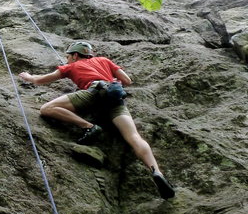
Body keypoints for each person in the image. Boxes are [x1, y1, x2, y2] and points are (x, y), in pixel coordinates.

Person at [18, 41, 175, 200]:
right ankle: (156, 171)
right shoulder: (104, 60)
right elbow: (127, 80)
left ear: (75, 55)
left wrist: (28, 77)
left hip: (93, 92)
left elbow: (42, 80)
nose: (67, 60)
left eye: (68, 57)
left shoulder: (71, 66)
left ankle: (88, 126)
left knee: (47, 108)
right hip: (115, 98)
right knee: (134, 137)